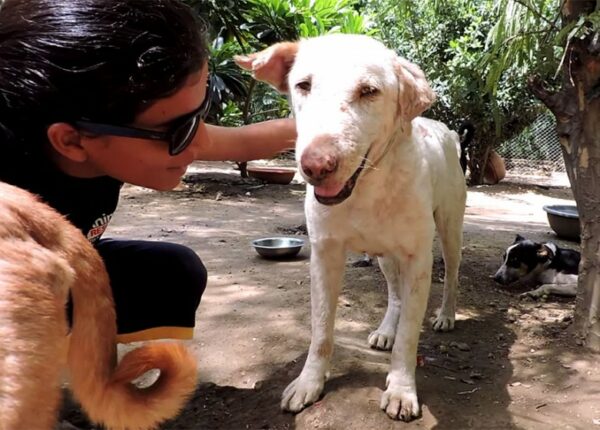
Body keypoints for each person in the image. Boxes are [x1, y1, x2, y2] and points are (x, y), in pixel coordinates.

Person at [0, 0, 296, 344]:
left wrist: (344, 127)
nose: (197, 140)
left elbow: (243, 141)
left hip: (58, 271)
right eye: (176, 129)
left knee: (171, 272)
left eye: (198, 114)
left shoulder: (107, 131)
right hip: (16, 287)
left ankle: (91, 372)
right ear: (71, 141)